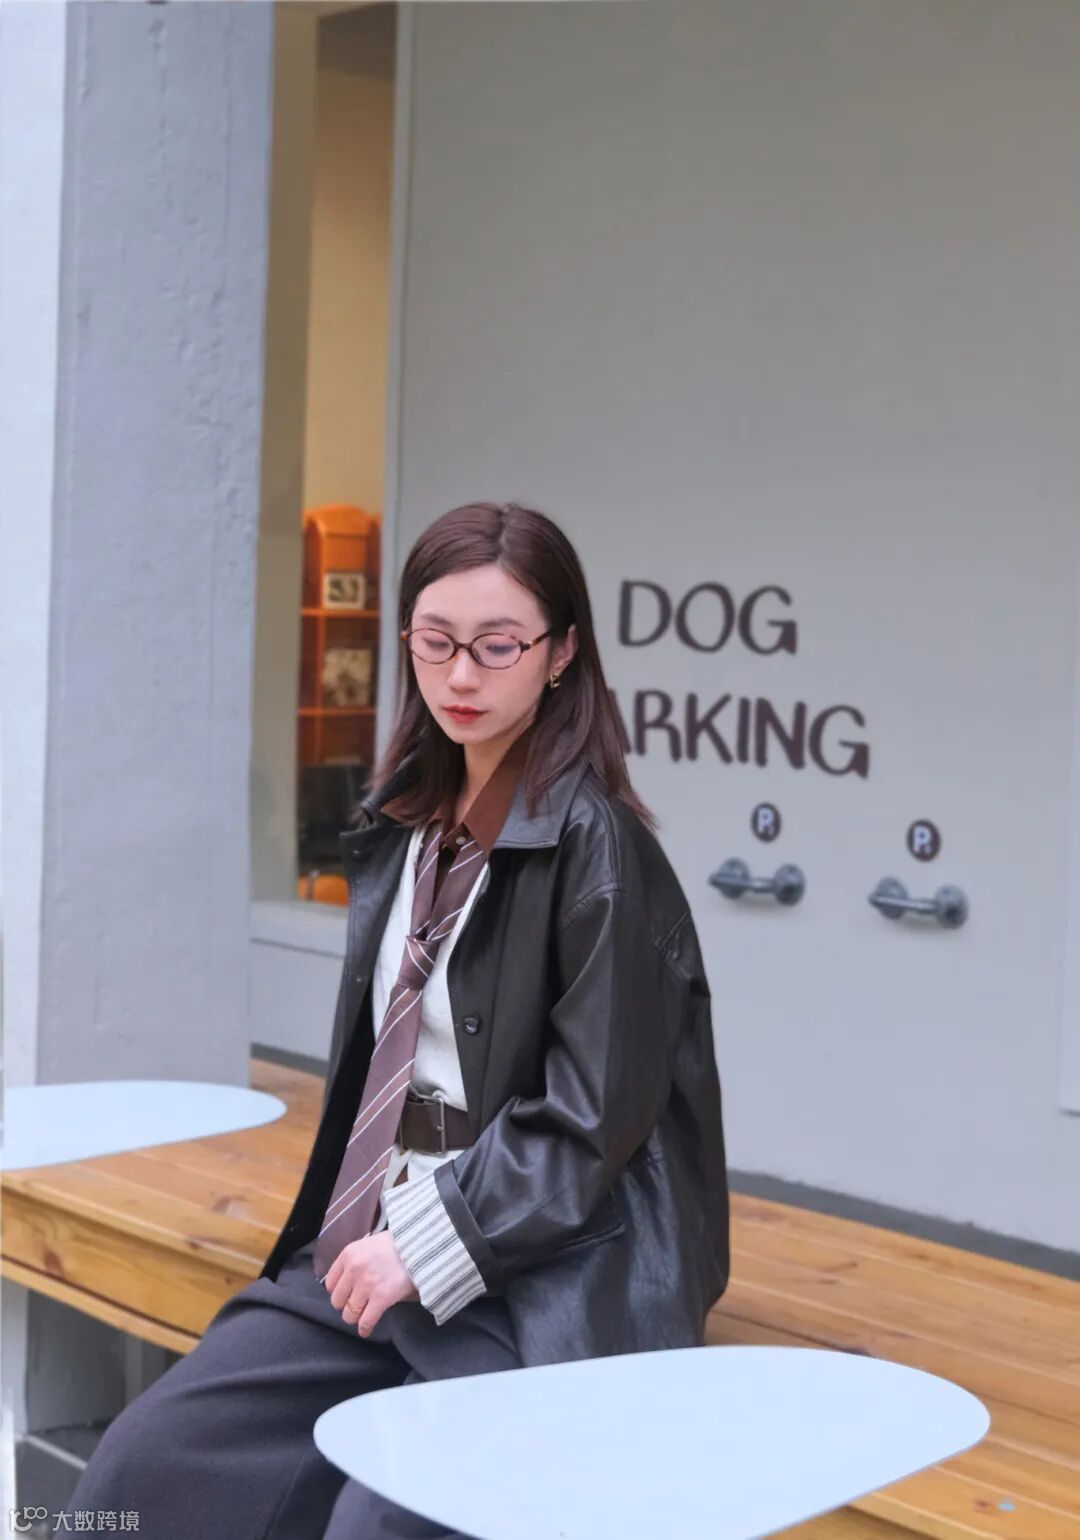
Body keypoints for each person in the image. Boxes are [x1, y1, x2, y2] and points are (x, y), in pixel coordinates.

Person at [64, 500, 730, 1539]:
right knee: (142, 1469)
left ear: (561, 654)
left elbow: (589, 1125)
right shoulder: (405, 822)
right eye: (435, 641)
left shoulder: (602, 856)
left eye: (497, 646)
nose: (461, 675)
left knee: (384, 1518)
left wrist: (429, 1244)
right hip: (376, 1246)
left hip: (543, 1278)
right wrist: (385, 1243)